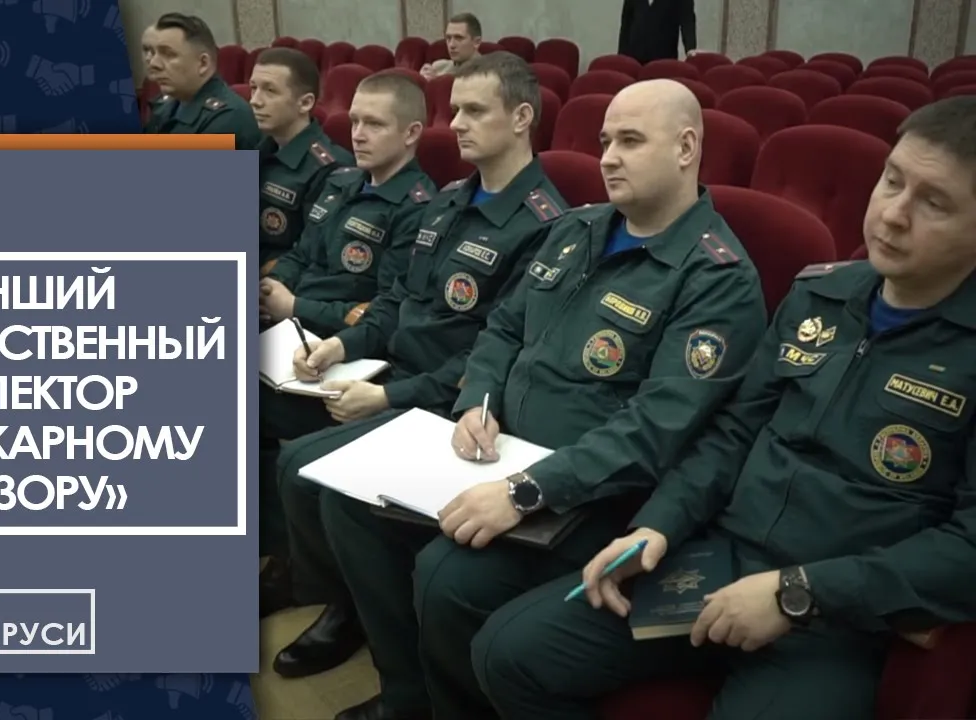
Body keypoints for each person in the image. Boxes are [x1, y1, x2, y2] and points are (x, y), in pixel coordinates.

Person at [473, 95, 976, 720]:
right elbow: (733, 432)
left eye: (934, 203)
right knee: (509, 652)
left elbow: (968, 545)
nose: (893, 215)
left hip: (840, 613)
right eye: (892, 181)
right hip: (722, 558)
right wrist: (658, 526)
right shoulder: (821, 294)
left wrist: (799, 592)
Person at [324, 78, 770, 720]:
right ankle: (409, 697)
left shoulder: (716, 277)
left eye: (631, 141)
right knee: (351, 502)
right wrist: (476, 400)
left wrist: (524, 491)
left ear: (685, 148)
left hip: (588, 493)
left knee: (448, 579)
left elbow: (654, 431)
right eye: (605, 141)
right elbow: (503, 328)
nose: (608, 157)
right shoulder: (577, 228)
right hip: (494, 450)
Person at [265, 51, 574, 709]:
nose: (454, 123)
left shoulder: (548, 225)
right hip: (391, 371)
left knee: (313, 477)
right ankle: (351, 603)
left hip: (447, 400)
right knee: (295, 457)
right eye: (453, 109)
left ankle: (394, 670)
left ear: (522, 118)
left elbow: (502, 351)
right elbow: (396, 303)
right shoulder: (449, 201)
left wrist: (391, 395)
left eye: (474, 110)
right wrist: (343, 343)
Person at [257, 71, 435, 585]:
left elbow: (386, 307)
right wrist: (274, 287)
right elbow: (301, 253)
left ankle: (294, 568)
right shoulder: (339, 183)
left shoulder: (419, 208)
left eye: (374, 124)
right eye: (354, 121)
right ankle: (273, 546)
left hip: (354, 355)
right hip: (292, 332)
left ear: (411, 133)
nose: (357, 133)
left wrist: (298, 306)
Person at [251, 47, 355, 272]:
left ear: (305, 103)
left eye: (270, 90)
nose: (255, 101)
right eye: (253, 88)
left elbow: (313, 256)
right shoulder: (258, 148)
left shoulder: (330, 168)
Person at [143, 13, 261, 150]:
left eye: (168, 54)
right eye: (151, 53)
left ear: (203, 63)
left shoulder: (229, 117)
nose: (154, 63)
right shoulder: (165, 105)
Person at [619, 0, 699, 64]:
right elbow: (626, 24)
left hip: (663, 59)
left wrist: (690, 48)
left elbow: (687, 21)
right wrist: (621, 55)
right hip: (634, 58)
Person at [421, 13, 483, 80]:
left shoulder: (487, 73)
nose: (451, 45)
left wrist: (437, 83)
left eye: (459, 38)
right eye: (448, 38)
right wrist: (420, 80)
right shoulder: (438, 67)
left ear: (476, 42)